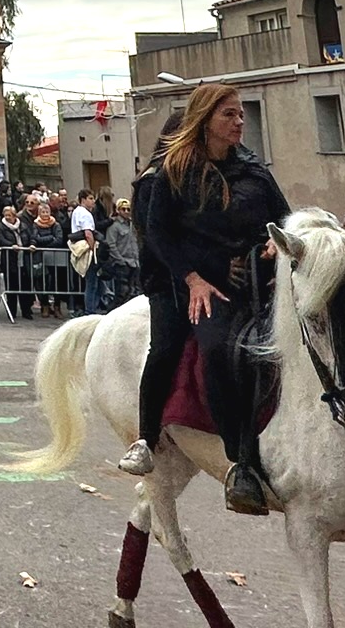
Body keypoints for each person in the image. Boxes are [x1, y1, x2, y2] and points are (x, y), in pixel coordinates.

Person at [121, 82, 289, 516]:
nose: (239, 121)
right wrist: (195, 277)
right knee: (200, 348)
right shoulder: (170, 174)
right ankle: (235, 459)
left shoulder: (255, 171)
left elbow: (284, 217)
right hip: (187, 285)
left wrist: (277, 246)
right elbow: (159, 236)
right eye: (228, 115)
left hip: (256, 280)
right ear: (205, 120)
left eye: (240, 114)